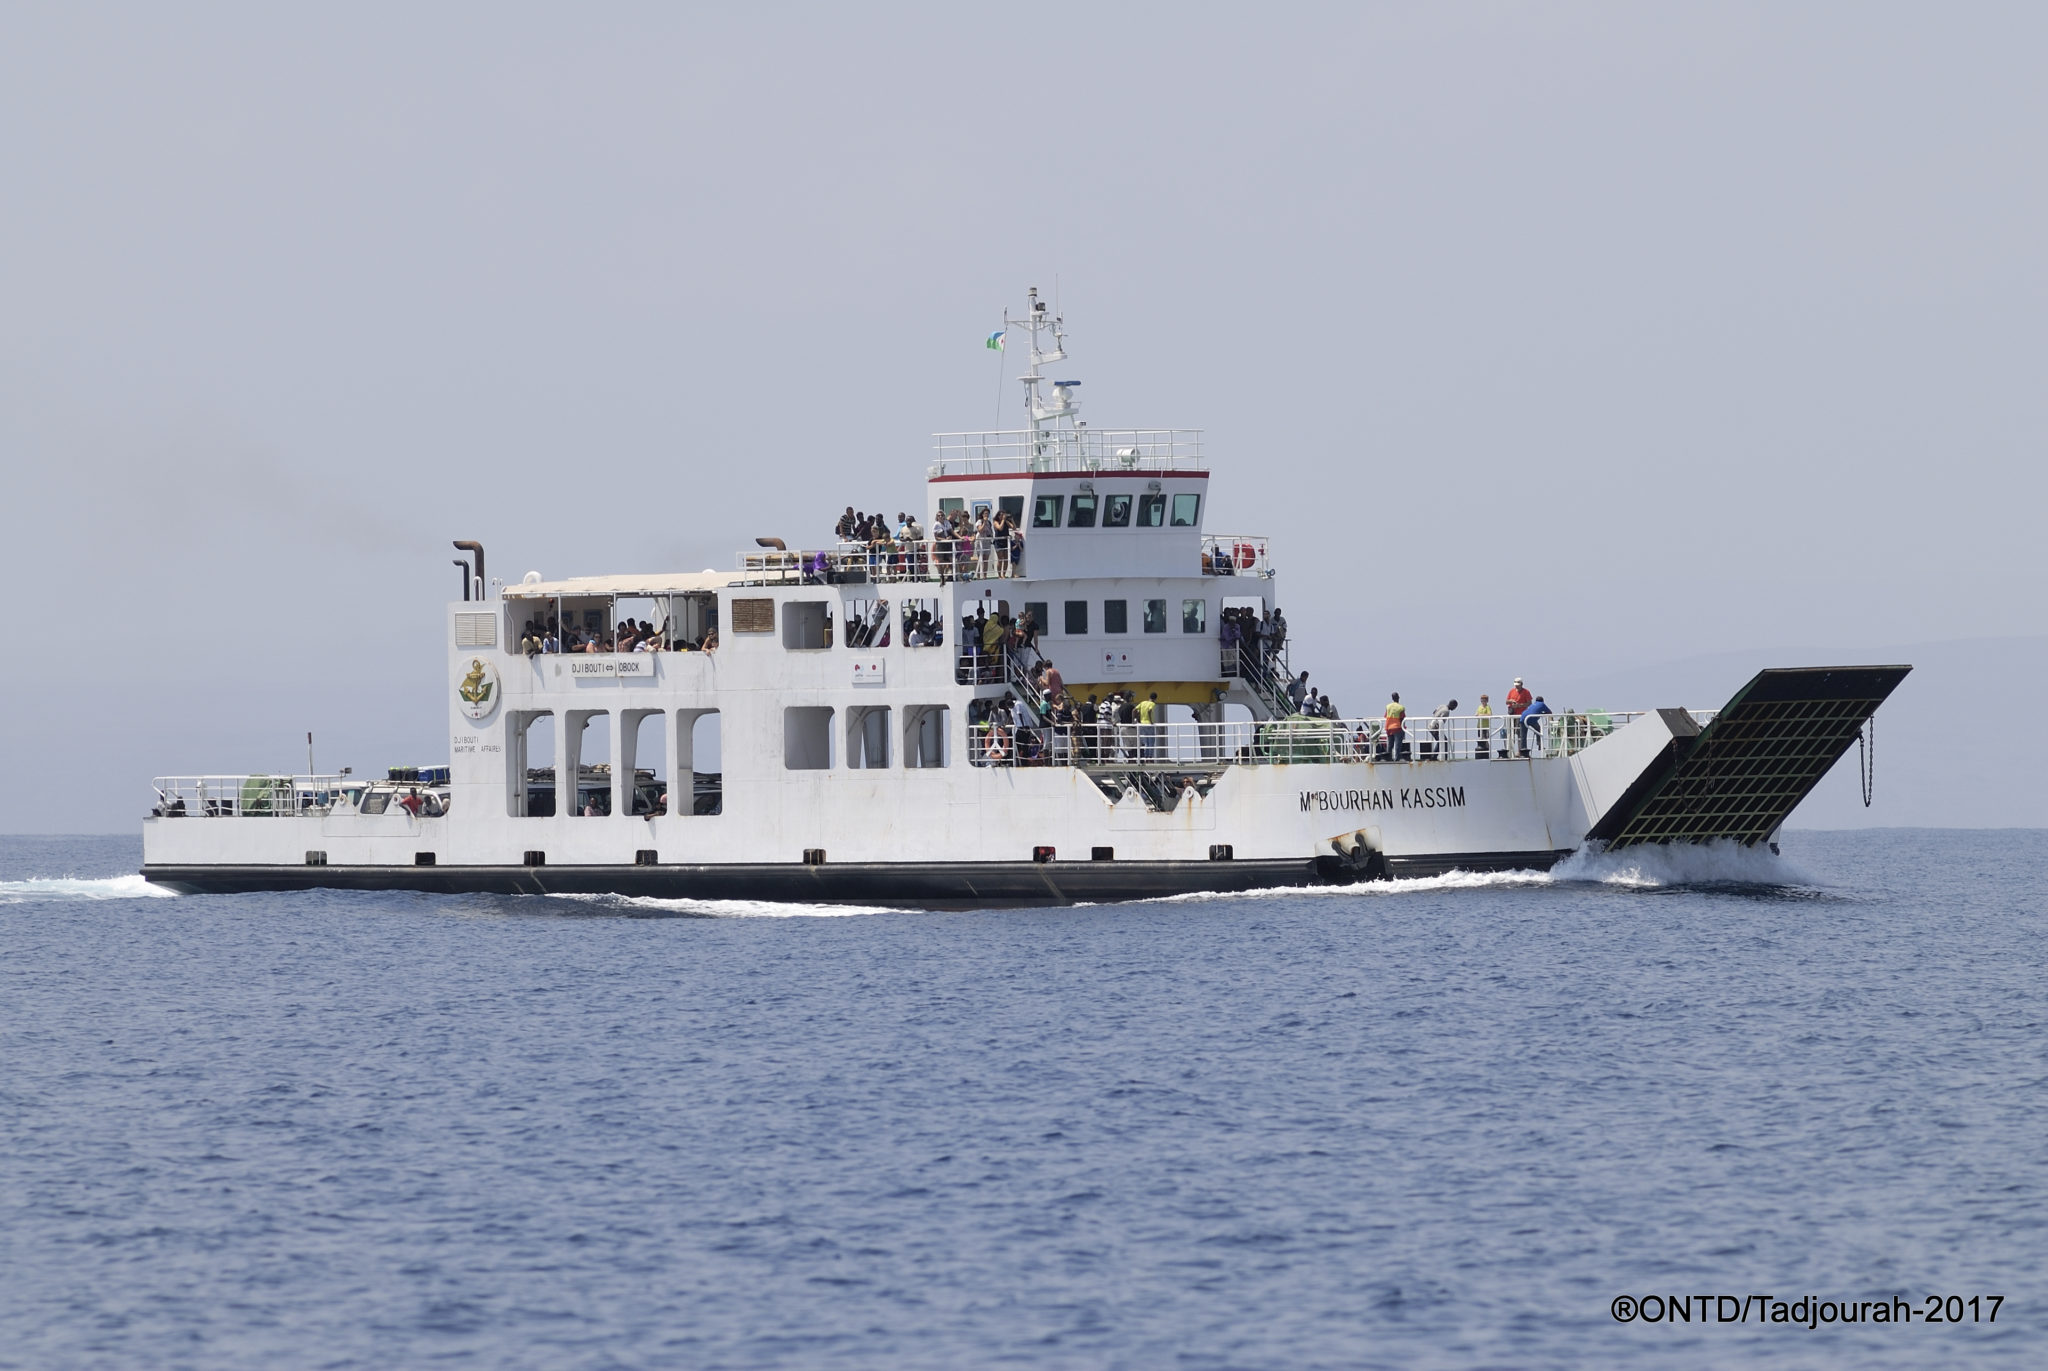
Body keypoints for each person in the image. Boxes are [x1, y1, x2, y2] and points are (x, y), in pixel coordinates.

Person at [1505, 677, 1533, 756]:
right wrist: (1511, 701)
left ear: (1521, 684)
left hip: (1521, 715)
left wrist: (1520, 705)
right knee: (1510, 733)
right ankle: (1510, 751)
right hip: (1512, 715)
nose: (1516, 686)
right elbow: (1506, 701)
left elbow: (1529, 703)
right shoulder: (1511, 691)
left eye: (1518, 685)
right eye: (1515, 685)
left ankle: (1520, 751)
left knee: (1520, 734)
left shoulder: (1526, 692)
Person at [1383, 692, 1408, 761]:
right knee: (1397, 744)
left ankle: (1388, 758)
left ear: (1392, 698)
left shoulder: (1388, 706)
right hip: (1397, 728)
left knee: (1390, 744)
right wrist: (1403, 728)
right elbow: (1402, 718)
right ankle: (1397, 759)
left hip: (1388, 728)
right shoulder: (1401, 707)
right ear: (1398, 698)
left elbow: (1385, 716)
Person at [1474, 694, 1494, 760]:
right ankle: (1482, 752)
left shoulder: (1487, 707)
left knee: (1485, 739)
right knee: (1481, 738)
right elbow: (1476, 714)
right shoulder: (1479, 707)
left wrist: (1482, 715)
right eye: (1482, 700)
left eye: (1484, 700)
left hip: (1486, 726)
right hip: (1480, 726)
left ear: (1487, 701)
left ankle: (1487, 751)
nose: (1483, 702)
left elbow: (1490, 714)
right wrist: (1478, 715)